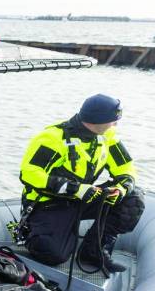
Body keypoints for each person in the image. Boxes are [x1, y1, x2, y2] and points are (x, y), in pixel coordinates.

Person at [18, 94, 144, 273]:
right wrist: (76, 189)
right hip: (48, 204)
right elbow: (30, 174)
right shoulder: (53, 138)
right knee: (53, 255)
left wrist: (121, 188)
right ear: (98, 119)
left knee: (134, 199)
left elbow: (126, 168)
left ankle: (94, 250)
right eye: (113, 121)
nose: (115, 125)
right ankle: (31, 232)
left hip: (84, 198)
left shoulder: (108, 137)